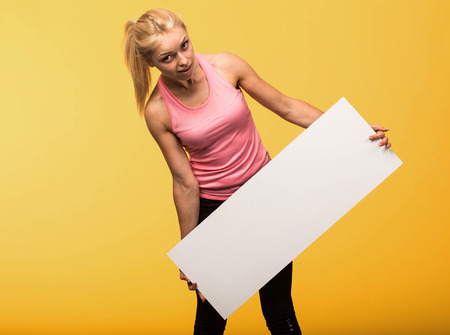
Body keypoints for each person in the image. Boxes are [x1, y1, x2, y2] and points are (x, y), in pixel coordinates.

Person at [123, 8, 391, 335]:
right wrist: (190, 253)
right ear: (152, 63)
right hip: (215, 209)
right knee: (212, 317)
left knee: (279, 309)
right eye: (167, 57)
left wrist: (352, 130)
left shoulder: (227, 66)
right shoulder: (158, 111)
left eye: (184, 45)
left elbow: (286, 106)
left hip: (266, 196)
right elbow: (184, 182)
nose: (182, 60)